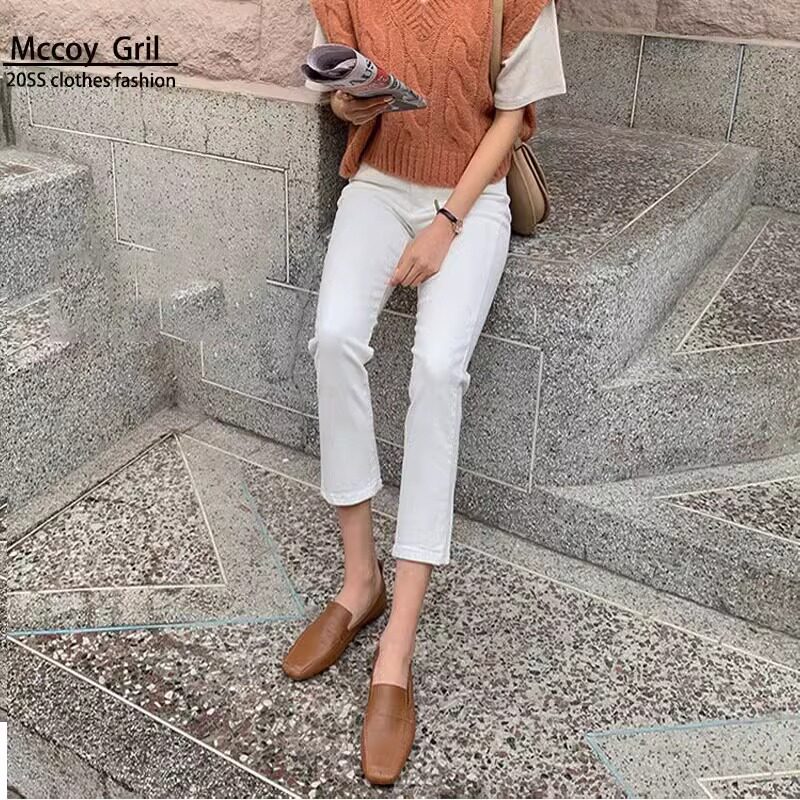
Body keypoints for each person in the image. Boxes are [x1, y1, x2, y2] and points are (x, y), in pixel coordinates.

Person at [283, 0, 566, 785]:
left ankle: (396, 650)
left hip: (472, 197)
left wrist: (445, 222)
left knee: (438, 369)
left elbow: (512, 118)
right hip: (377, 184)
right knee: (335, 337)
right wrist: (350, 105)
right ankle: (359, 583)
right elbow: (338, 95)